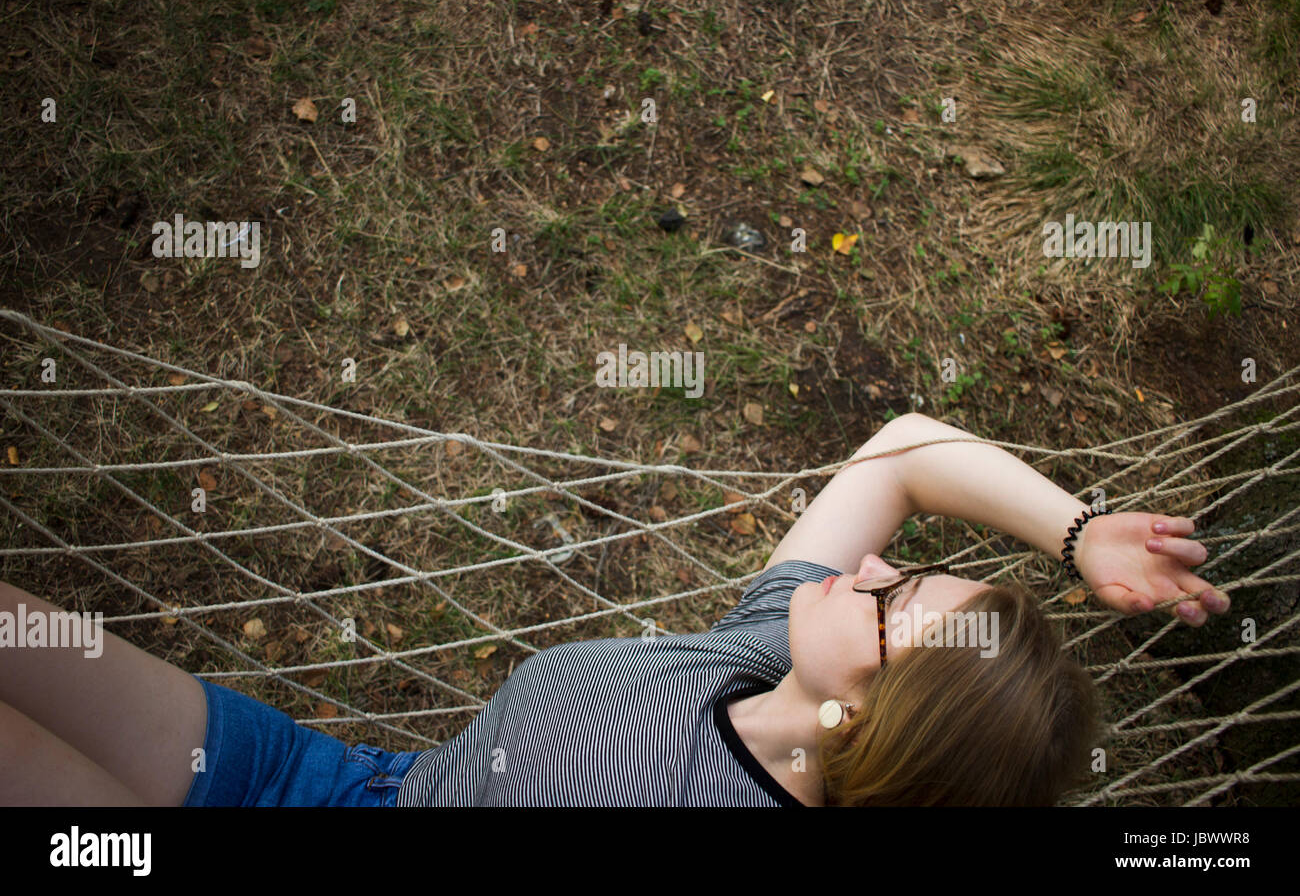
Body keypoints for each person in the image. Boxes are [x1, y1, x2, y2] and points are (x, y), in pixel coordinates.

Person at [0, 413, 1228, 806]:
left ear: (873, 721)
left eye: (893, 601)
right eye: (898, 568)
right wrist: (1075, 531)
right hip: (338, 781)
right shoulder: (774, 656)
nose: (866, 567)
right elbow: (903, 454)